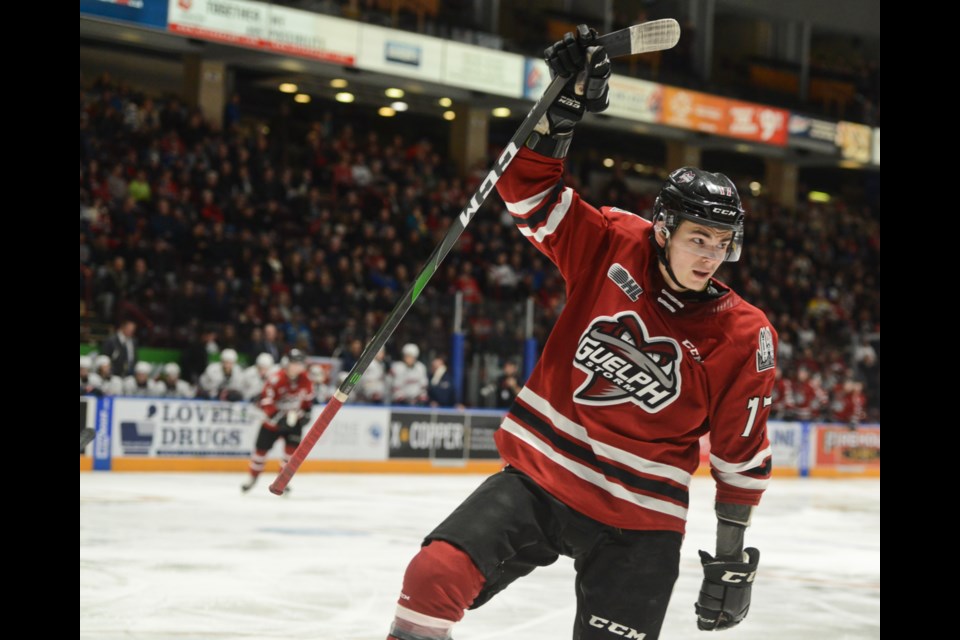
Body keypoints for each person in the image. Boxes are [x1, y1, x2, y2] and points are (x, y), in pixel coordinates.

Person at [386, 26, 776, 640]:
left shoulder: (744, 334)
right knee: (433, 575)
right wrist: (562, 107)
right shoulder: (615, 243)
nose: (709, 256)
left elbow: (741, 455)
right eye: (698, 238)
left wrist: (730, 560)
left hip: (640, 522)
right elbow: (529, 193)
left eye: (721, 244)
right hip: (540, 479)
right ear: (665, 229)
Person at [241, 349, 314, 493]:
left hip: (294, 422)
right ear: (288, 363)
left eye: (300, 363)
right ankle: (253, 478)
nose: (298, 367)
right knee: (260, 452)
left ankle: (283, 481)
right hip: (272, 422)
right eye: (295, 363)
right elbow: (266, 401)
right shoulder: (276, 378)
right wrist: (278, 418)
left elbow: (307, 400)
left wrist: (306, 414)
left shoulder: (306, 379)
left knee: (290, 455)